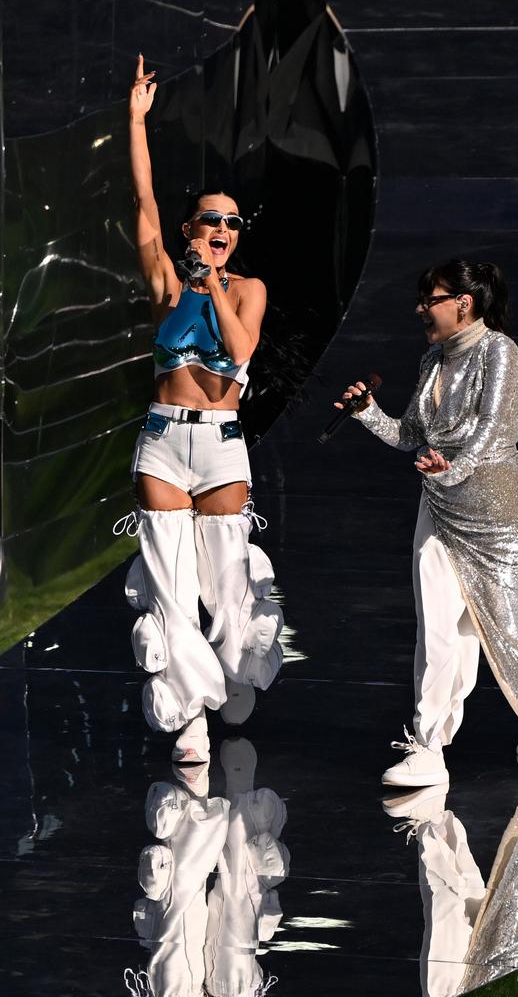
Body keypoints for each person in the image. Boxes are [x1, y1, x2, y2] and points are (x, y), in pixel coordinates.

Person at [338, 259, 518, 786]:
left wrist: (453, 468)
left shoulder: (498, 351)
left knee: (516, 624)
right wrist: (367, 413)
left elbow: (496, 432)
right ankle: (428, 745)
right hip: (442, 507)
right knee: (439, 626)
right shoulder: (432, 360)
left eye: (432, 299)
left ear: (464, 303)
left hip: (498, 511)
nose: (422, 309)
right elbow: (408, 434)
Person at [121, 55, 283, 764]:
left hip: (221, 443)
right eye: (209, 221)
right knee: (170, 585)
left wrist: (214, 279)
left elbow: (241, 352)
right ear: (189, 228)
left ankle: (234, 673)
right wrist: (135, 122)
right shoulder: (162, 276)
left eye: (231, 223)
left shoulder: (245, 287)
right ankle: (186, 714)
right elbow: (143, 202)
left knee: (226, 582)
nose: (221, 228)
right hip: (162, 442)